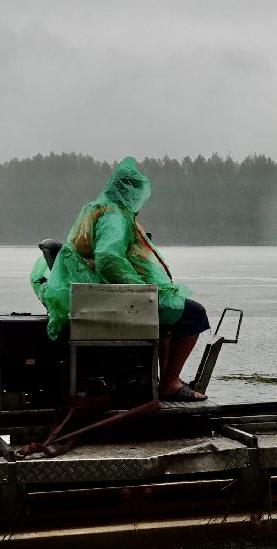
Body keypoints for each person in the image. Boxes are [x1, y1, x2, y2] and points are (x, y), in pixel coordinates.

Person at [31, 158, 212, 401]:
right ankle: (169, 383)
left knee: (169, 313)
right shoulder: (114, 215)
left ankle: (157, 380)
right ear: (131, 193)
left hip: (88, 291)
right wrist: (142, 290)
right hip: (107, 297)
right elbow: (108, 259)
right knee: (193, 313)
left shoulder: (95, 208)